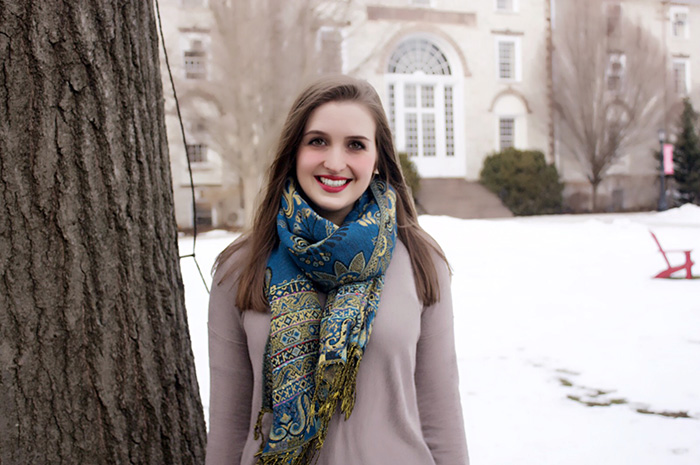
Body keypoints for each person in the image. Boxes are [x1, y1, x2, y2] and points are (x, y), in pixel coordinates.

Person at [206, 75, 468, 465]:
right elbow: (228, 426)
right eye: (318, 141)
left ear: (378, 158)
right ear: (294, 150)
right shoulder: (239, 268)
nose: (334, 161)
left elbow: (441, 417)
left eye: (356, 145)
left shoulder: (420, 260)